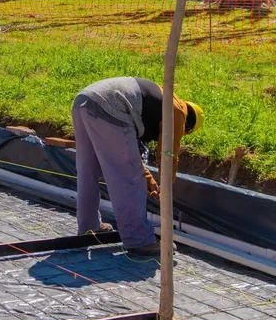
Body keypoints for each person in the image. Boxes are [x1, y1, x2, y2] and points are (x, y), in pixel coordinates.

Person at [71, 77, 204, 256]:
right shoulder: (178, 113)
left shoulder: (159, 103)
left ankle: (89, 227)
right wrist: (166, 188)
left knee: (89, 171)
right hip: (109, 108)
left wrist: (149, 180)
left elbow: (129, 153)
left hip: (83, 101)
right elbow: (168, 155)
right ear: (188, 127)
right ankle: (139, 240)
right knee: (129, 180)